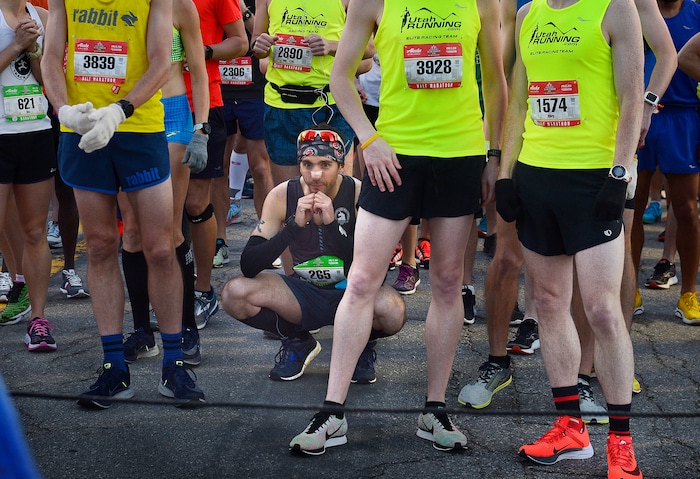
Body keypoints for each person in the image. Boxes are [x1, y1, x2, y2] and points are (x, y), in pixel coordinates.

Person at [289, 0, 507, 455]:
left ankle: (435, 409)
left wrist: (494, 155)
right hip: (393, 156)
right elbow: (340, 78)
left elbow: (498, 83)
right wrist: (369, 140)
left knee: (448, 282)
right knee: (364, 280)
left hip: (459, 155)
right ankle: (332, 411)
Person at [496, 1, 643, 477]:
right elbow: (518, 102)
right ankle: (570, 428)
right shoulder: (528, 15)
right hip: (538, 175)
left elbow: (632, 96)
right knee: (549, 300)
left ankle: (621, 443)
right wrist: (505, 174)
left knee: (601, 309)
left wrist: (619, 174)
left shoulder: (615, 8)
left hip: (594, 178)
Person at [42, 0, 205, 407]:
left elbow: (160, 61)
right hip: (82, 127)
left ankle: (174, 365)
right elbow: (50, 58)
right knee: (98, 245)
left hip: (139, 129)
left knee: (160, 246)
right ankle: (114, 367)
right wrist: (65, 111)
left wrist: (120, 110)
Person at [221, 124, 405, 383]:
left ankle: (361, 343)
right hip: (302, 293)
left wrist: (332, 226)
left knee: (393, 309)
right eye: (307, 164)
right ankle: (297, 340)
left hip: (352, 293)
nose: (315, 173)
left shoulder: (358, 193)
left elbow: (376, 268)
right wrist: (293, 227)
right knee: (234, 294)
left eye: (325, 164)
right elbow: (249, 265)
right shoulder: (282, 195)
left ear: (341, 165)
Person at [119, 0, 211, 368]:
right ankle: (143, 332)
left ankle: (187, 327)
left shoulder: (180, 6)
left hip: (172, 113)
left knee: (170, 230)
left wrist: (201, 128)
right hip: (129, 118)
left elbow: (200, 72)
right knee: (133, 232)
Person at [632, 0, 700, 326]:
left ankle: (688, 293)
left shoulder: (697, 14)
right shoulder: (635, 8)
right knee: (632, 205)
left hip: (683, 117)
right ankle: (628, 288)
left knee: (686, 209)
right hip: (639, 113)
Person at [185, 0, 248, 330]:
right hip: (154, 105)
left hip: (205, 102)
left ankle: (203, 289)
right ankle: (174, 291)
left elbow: (240, 41)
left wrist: (202, 52)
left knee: (195, 202)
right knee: (166, 208)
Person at [251, 0, 359, 187]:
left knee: (335, 198)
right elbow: (256, 42)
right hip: (280, 106)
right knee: (290, 195)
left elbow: (370, 49)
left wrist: (331, 45)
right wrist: (260, 46)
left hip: (328, 105)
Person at [0, 0, 57, 354]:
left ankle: (38, 319)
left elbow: (47, 80)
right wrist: (17, 45)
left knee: (35, 231)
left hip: (35, 130)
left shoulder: (45, 17)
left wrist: (34, 50)